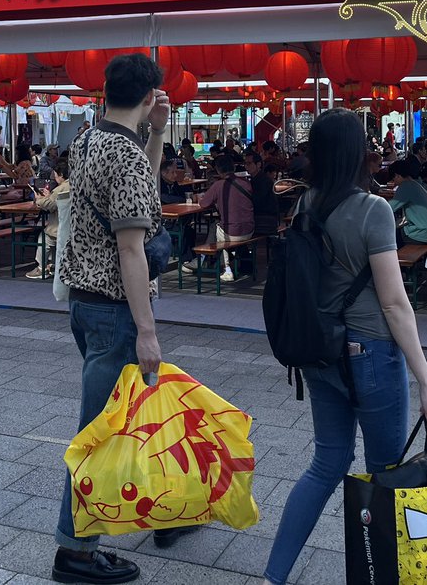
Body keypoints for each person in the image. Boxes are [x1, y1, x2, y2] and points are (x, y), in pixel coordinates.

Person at [261, 109, 427, 585]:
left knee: (327, 464)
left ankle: (275, 574)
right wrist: (426, 380)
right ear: (358, 152)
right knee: (385, 474)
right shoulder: (373, 210)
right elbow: (395, 303)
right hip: (372, 356)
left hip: (322, 354)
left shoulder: (307, 205)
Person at [53, 53, 183, 584]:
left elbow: (139, 193)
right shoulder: (121, 155)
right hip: (113, 311)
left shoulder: (88, 139)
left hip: (86, 306)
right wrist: (147, 330)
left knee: (127, 419)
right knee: (99, 431)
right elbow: (132, 249)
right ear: (150, 96)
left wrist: (155, 134)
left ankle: (168, 509)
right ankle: (75, 551)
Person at [192, 154, 254, 282]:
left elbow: (203, 204)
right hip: (250, 230)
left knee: (216, 228)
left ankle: (222, 266)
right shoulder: (246, 183)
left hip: (232, 232)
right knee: (219, 228)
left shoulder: (219, 185)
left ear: (218, 170)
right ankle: (205, 259)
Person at [29, 159, 71, 279]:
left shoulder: (59, 189)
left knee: (45, 237)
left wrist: (39, 199)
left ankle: (42, 268)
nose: (55, 177)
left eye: (56, 175)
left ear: (61, 175)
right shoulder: (74, 185)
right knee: (49, 236)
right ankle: (52, 265)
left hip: (59, 227)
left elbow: (50, 206)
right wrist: (49, 196)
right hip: (71, 226)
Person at [388, 157, 427, 245]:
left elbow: (389, 208)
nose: (394, 182)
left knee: (390, 234)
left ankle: (396, 257)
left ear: (397, 175)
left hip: (420, 233)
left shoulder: (405, 186)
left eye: (393, 179)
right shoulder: (419, 184)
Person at [243, 152, 279, 235]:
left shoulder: (263, 181)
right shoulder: (258, 178)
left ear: (258, 164)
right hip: (264, 218)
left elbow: (257, 202)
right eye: (245, 163)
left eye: (249, 163)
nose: (246, 166)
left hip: (265, 220)